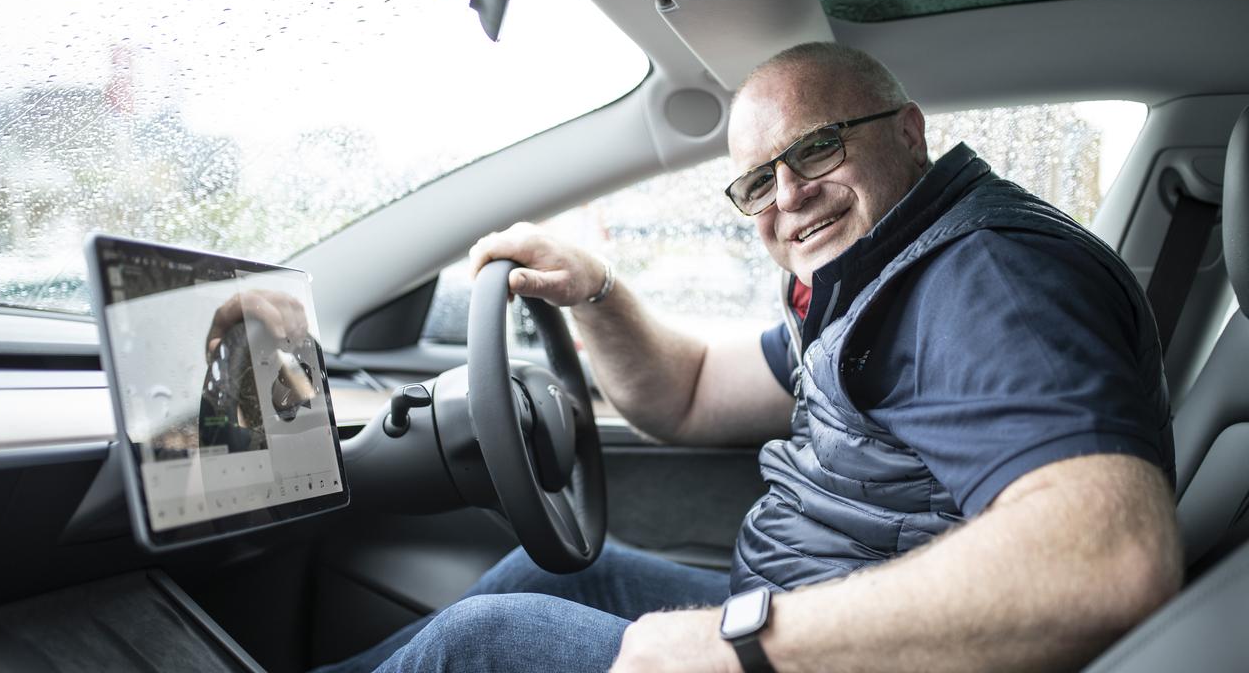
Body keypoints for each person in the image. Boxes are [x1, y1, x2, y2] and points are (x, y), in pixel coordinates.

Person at [344, 42, 1182, 673]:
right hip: (786, 606)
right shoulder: (879, 275)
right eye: (756, 184)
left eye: (816, 149)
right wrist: (597, 291)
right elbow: (692, 392)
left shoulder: (985, 280)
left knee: (484, 645)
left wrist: (725, 646)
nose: (788, 197)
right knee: (549, 573)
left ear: (908, 133)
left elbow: (1107, 560)